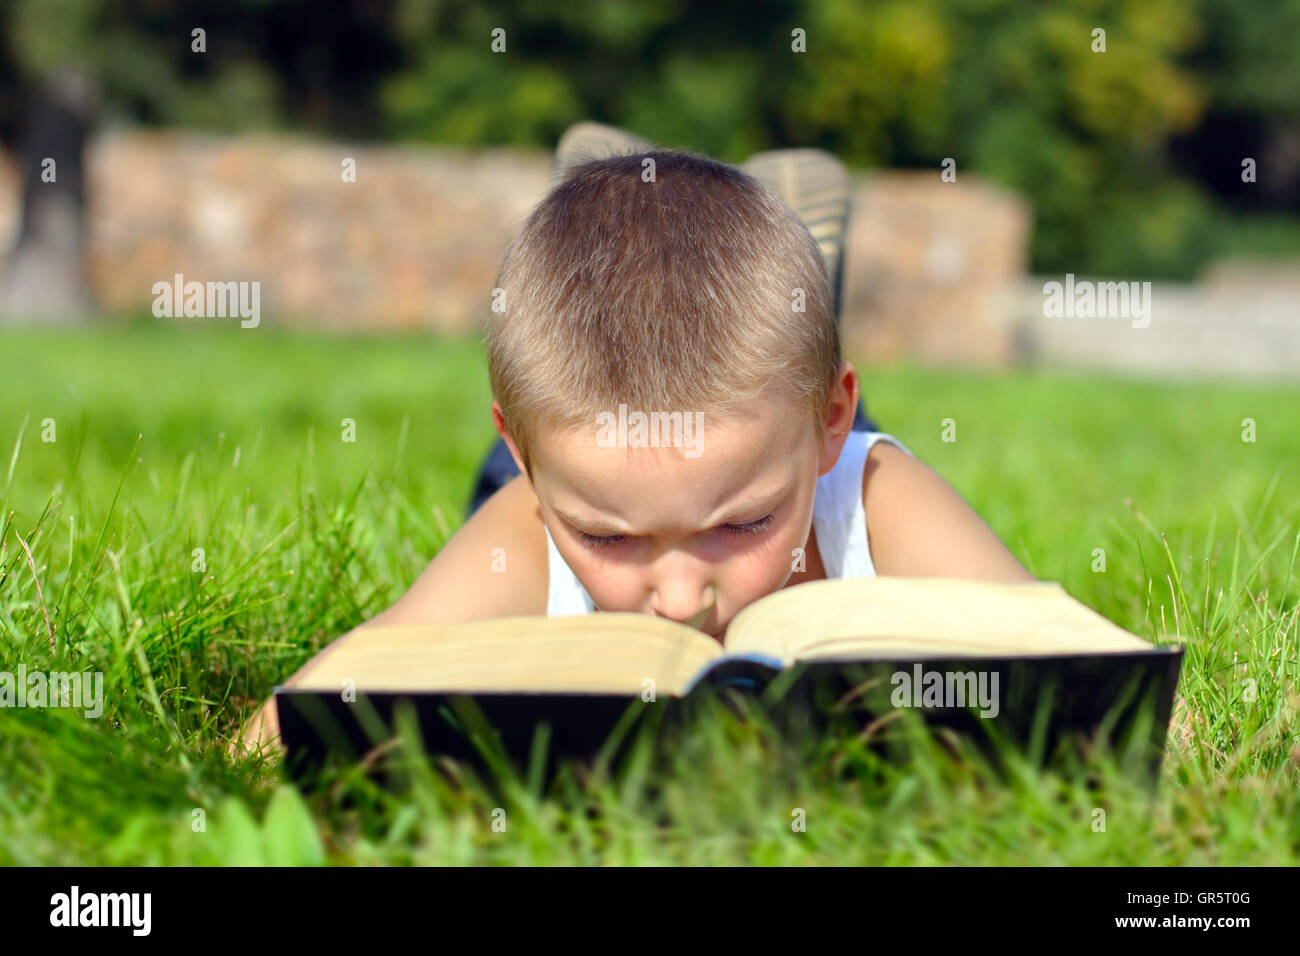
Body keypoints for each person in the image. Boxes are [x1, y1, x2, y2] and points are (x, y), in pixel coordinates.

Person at [235, 130, 1033, 755]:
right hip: (607, 457)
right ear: (529, 464)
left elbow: (1076, 662)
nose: (681, 598)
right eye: (608, 539)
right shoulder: (528, 521)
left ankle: (792, 271)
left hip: (761, 433)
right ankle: (590, 207)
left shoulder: (872, 492)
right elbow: (302, 719)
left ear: (835, 422)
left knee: (784, 392)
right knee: (576, 450)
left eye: (744, 524)